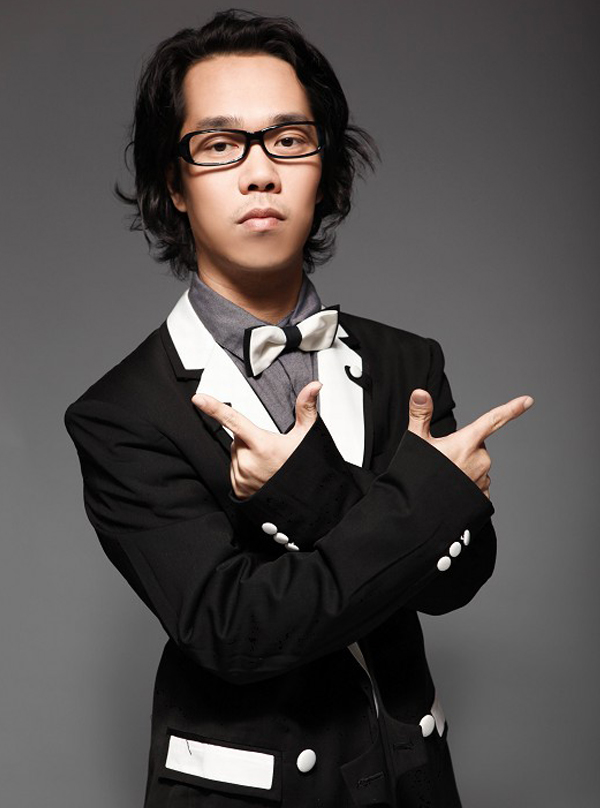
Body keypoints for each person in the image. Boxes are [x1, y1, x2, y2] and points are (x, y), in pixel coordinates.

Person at [65, 10, 533, 807]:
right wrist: (415, 500)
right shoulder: (120, 413)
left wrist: (315, 494)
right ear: (174, 184)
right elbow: (237, 631)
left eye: (288, 139)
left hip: (412, 782)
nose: (260, 172)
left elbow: (457, 580)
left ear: (326, 169)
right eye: (220, 144)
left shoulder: (407, 362)